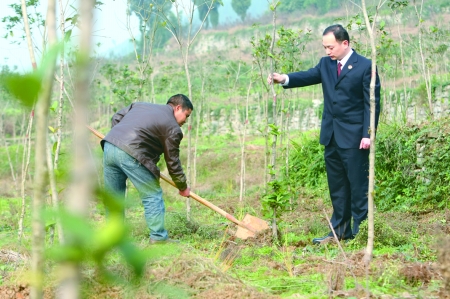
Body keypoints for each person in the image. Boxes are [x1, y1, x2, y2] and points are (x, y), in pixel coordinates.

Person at [268, 24, 381, 244]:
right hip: (331, 136)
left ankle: (360, 234)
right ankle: (339, 232)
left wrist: (368, 133)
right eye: (325, 47)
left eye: (330, 47)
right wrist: (284, 78)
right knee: (337, 187)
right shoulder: (326, 64)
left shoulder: (366, 66)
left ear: (345, 43)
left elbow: (372, 103)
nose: (327, 51)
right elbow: (308, 76)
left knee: (358, 187)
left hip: (356, 138)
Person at [101, 94, 193, 244]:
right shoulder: (173, 128)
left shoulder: (140, 105)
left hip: (110, 146)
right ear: (178, 108)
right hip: (131, 153)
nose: (185, 121)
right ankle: (158, 238)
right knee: (152, 194)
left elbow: (116, 117)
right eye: (186, 115)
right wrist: (182, 186)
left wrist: (120, 139)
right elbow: (173, 161)